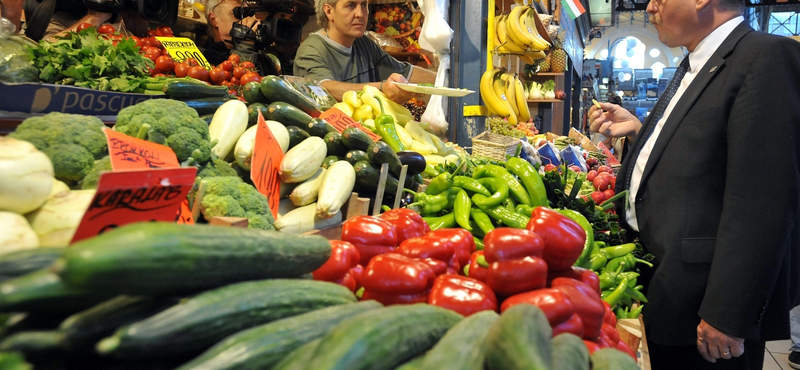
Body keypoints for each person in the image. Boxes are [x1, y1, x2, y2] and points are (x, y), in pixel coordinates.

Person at [587, 0, 800, 367]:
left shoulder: (765, 56)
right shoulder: (698, 63)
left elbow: (762, 200)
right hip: (665, 282)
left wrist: (728, 312)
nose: (650, 7)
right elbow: (705, 154)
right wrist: (639, 131)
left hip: (702, 306)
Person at [293, 0, 435, 103]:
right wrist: (380, 88)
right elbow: (324, 88)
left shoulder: (364, 43)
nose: (360, 14)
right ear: (329, 11)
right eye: (350, 5)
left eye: (364, 5)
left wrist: (448, 78)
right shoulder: (311, 49)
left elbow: (407, 73)